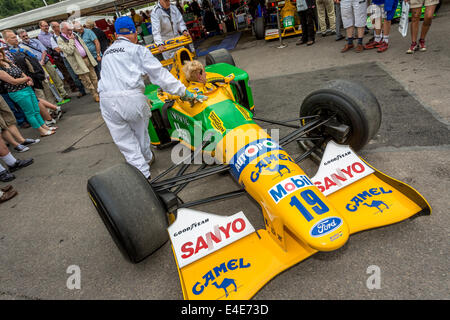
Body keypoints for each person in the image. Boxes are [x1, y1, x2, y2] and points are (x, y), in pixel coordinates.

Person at [98, 16, 206, 180]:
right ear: (134, 32)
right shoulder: (137, 50)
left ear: (116, 34)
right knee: (140, 134)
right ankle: (147, 159)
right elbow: (160, 76)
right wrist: (185, 92)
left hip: (106, 100)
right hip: (131, 98)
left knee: (124, 141)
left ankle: (143, 176)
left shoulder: (106, 53)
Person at [0, 48, 56, 137]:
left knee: (36, 110)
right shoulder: (0, 69)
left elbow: (21, 72)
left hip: (27, 88)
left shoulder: (9, 62)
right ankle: (41, 131)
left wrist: (28, 79)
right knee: (30, 112)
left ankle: (45, 127)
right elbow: (13, 81)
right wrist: (27, 79)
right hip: (18, 92)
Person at [17, 29, 69, 100]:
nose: (26, 37)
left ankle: (63, 94)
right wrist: (38, 63)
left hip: (46, 62)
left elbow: (44, 51)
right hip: (37, 66)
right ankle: (56, 97)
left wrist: (42, 60)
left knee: (55, 77)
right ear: (20, 37)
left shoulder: (36, 41)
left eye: (26, 35)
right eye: (23, 36)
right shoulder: (21, 46)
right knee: (47, 81)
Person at [57, 21, 99, 102]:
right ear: (62, 30)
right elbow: (69, 51)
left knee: (94, 77)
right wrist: (71, 40)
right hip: (79, 63)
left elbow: (83, 45)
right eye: (68, 29)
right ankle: (94, 95)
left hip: (87, 58)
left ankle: (98, 92)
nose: (70, 31)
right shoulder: (60, 39)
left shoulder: (74, 34)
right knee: (87, 80)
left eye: (71, 29)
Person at [38, 20, 78, 94]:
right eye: (44, 26)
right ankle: (73, 87)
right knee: (65, 72)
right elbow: (50, 45)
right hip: (56, 56)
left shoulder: (51, 34)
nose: (46, 27)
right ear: (40, 27)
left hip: (62, 53)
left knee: (71, 69)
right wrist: (63, 46)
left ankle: (77, 85)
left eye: (47, 25)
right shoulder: (41, 36)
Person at [50, 21, 86, 98]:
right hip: (66, 58)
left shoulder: (67, 33)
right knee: (73, 74)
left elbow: (73, 44)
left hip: (75, 54)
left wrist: (65, 47)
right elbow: (58, 50)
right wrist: (67, 47)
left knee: (83, 69)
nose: (59, 27)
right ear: (53, 28)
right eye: (57, 26)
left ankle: (88, 86)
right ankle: (81, 90)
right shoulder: (53, 38)